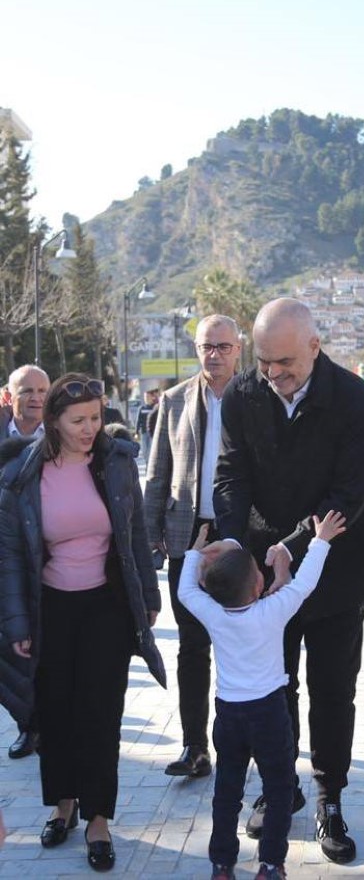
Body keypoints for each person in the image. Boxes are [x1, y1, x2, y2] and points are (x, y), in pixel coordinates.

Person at [214, 298, 364, 864]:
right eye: (263, 361)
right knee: (274, 690)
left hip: (337, 573)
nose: (273, 374)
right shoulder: (242, 395)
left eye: (284, 362)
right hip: (267, 580)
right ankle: (279, 787)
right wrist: (235, 544)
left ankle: (331, 796)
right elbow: (231, 474)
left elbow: (348, 496)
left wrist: (290, 546)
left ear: (315, 346)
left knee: (333, 690)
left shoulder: (354, 399)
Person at [0, 374, 166, 873]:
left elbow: (134, 534)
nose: (90, 428)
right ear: (54, 422)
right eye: (78, 420)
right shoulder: (22, 474)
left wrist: (149, 595)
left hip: (107, 606)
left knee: (100, 713)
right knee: (55, 713)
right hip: (49, 606)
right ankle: (63, 804)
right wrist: (17, 623)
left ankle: (97, 819)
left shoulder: (117, 463)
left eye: (95, 417)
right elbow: (10, 557)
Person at [180, 511, 346, 880]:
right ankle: (270, 864)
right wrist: (320, 541)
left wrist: (195, 553)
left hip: (228, 714)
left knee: (227, 791)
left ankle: (222, 864)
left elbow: (185, 592)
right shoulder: (271, 612)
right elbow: (304, 584)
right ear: (258, 586)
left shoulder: (213, 614)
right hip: (268, 712)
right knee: (279, 788)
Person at [144, 315, 242, 779]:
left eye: (223, 346)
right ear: (196, 349)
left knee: (241, 642)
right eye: (206, 346)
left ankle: (243, 744)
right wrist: (151, 536)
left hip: (238, 537)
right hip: (188, 537)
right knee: (192, 646)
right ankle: (195, 747)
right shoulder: (174, 399)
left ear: (238, 349)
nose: (214, 354)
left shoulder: (257, 396)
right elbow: (157, 474)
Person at [0, 364, 50, 761]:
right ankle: (28, 725)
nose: (35, 398)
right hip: (6, 555)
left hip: (47, 555)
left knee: (45, 643)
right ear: (7, 397)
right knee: (11, 647)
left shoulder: (62, 436)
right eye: (26, 391)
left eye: (42, 391)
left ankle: (47, 724)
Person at [135, 389, 158, 461]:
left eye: (148, 397)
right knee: (144, 450)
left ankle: (149, 465)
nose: (146, 398)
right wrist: (136, 432)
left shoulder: (155, 408)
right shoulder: (141, 408)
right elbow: (138, 421)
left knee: (151, 450)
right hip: (144, 433)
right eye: (145, 397)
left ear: (152, 397)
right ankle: (147, 462)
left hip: (153, 433)